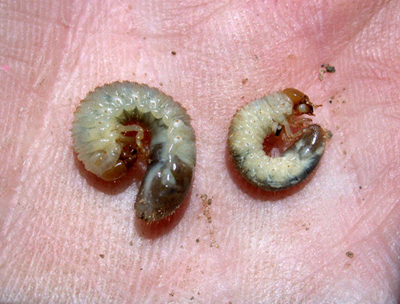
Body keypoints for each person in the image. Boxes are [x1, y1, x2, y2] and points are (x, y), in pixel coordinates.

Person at [1, 1, 399, 302]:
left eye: (118, 159)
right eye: (124, 161)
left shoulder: (131, 121)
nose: (128, 165)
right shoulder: (140, 127)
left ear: (112, 137)